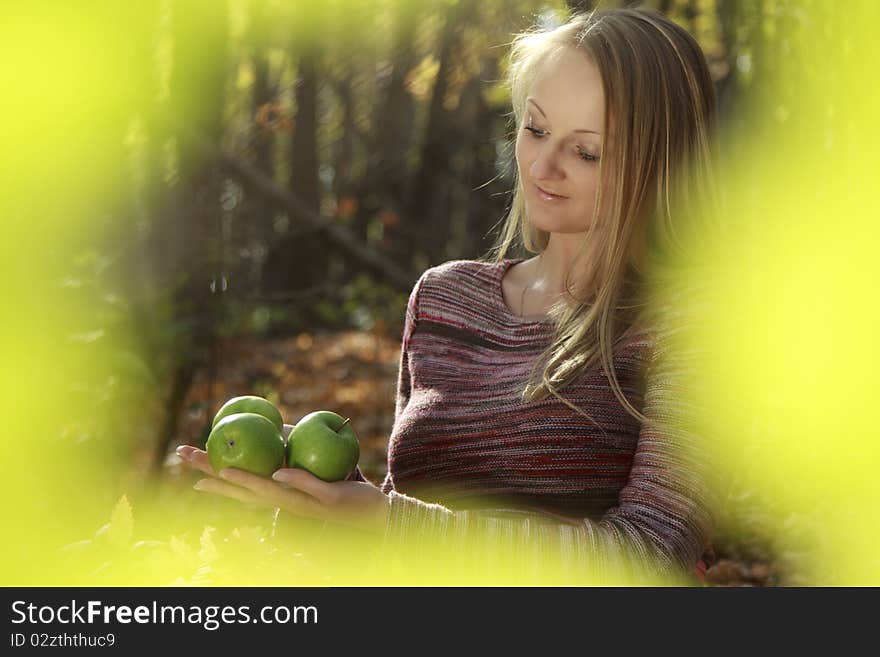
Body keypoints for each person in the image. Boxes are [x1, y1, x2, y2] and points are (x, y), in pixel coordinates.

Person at [178, 6, 720, 586]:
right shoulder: (444, 300)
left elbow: (649, 558)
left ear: (658, 163)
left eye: (586, 151)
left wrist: (388, 521)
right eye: (535, 129)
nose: (542, 165)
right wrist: (319, 501)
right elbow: (403, 533)